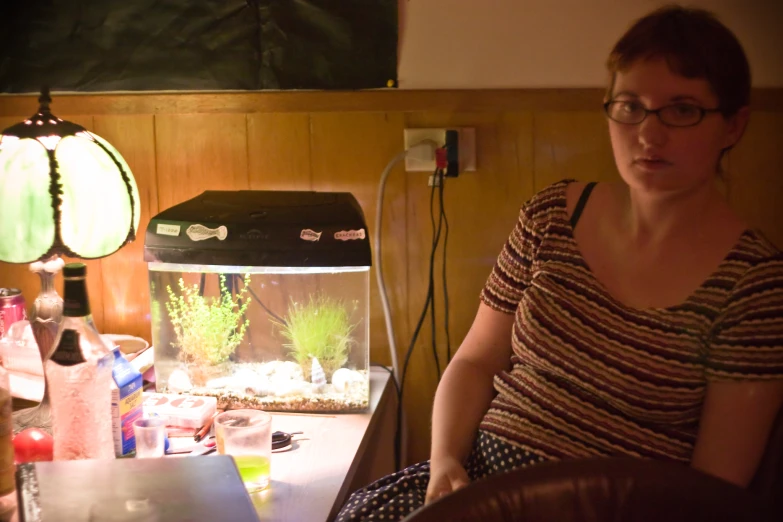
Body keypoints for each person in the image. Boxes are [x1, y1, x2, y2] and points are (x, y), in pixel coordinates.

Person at [336, 5, 783, 521]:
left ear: (733, 125)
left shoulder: (755, 284)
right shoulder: (551, 215)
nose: (648, 134)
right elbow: (476, 362)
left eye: (682, 110)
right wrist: (444, 462)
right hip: (477, 490)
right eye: (630, 106)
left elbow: (711, 492)